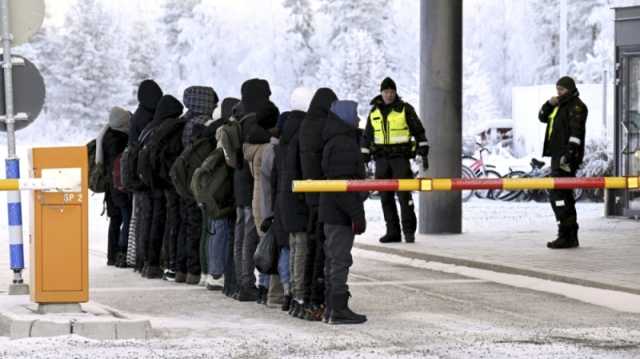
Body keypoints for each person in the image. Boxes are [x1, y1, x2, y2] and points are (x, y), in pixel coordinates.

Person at [361, 77, 429, 244]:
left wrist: (423, 152)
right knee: (385, 197)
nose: (389, 95)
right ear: (381, 93)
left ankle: (408, 232)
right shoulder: (374, 112)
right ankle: (392, 232)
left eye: (392, 91)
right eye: (386, 92)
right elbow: (367, 137)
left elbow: (419, 132)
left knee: (404, 196)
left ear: (395, 92)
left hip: (400, 159)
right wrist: (364, 156)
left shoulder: (405, 109)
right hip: (381, 160)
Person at [320, 100, 367, 325]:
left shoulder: (335, 140)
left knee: (334, 259)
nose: (359, 119)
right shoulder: (343, 144)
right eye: (355, 114)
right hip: (340, 213)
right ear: (346, 117)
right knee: (340, 259)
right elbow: (343, 186)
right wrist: (357, 214)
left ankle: (333, 307)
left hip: (332, 211)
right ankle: (337, 309)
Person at [274, 87, 314, 316]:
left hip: (284, 197)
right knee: (301, 247)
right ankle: (298, 294)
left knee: (291, 246)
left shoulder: (284, 133)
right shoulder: (304, 133)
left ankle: (289, 293)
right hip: (299, 196)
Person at [300, 88, 338, 320]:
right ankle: (317, 299)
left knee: (310, 249)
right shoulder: (324, 127)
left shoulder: (305, 125)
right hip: (325, 194)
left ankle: (307, 296)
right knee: (322, 251)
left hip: (309, 193)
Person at [538, 76, 588, 249]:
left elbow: (576, 132)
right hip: (557, 155)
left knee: (559, 194)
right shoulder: (558, 105)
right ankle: (569, 234)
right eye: (557, 89)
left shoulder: (577, 106)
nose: (558, 92)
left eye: (562, 89)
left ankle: (566, 233)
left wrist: (569, 155)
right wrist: (549, 104)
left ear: (570, 89)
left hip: (566, 158)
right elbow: (542, 117)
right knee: (563, 195)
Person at [137, 94, 184, 279]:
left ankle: (148, 263)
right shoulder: (172, 127)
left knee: (150, 221)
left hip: (151, 181)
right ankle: (160, 263)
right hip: (167, 183)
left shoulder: (150, 128)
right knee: (166, 222)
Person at [177, 86, 219, 284]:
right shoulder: (204, 124)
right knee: (197, 227)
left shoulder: (183, 121)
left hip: (182, 181)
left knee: (184, 225)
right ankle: (195, 271)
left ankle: (181, 269)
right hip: (197, 183)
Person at [128, 80, 163, 274]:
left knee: (141, 217)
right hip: (148, 174)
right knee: (149, 218)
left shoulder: (138, 115)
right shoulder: (150, 118)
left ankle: (140, 261)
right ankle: (146, 262)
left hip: (137, 172)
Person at [96, 107, 131, 267]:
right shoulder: (120, 138)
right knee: (126, 218)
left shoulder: (105, 136)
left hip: (110, 187)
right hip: (120, 185)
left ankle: (111, 255)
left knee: (115, 220)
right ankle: (122, 254)